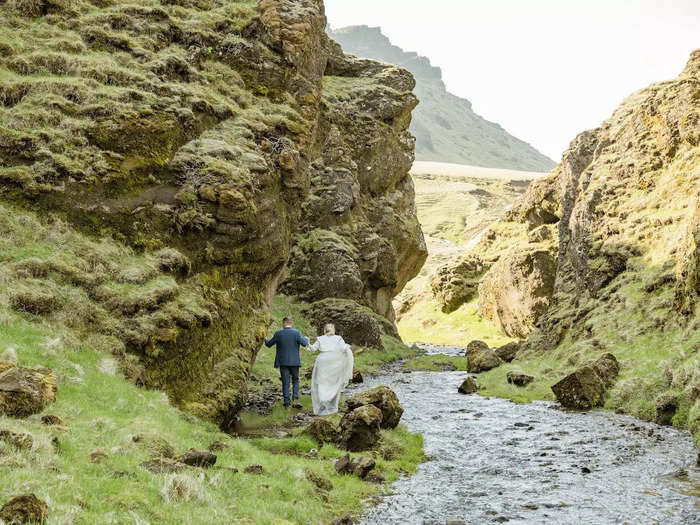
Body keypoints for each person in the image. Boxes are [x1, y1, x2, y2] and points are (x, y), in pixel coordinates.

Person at [308, 323, 354, 416]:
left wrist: (307, 342)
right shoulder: (339, 338)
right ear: (333, 330)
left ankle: (323, 401)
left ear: (324, 330)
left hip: (322, 361)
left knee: (322, 382)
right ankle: (330, 403)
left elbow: (312, 349)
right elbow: (344, 348)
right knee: (333, 382)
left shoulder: (320, 338)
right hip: (334, 362)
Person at [265, 316, 309, 409]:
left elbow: (269, 344)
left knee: (285, 382)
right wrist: (307, 338)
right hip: (294, 362)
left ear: (284, 323)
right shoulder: (297, 333)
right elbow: (304, 343)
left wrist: (264, 338)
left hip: (283, 362)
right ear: (291, 323)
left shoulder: (278, 333)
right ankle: (295, 400)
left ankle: (287, 403)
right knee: (295, 380)